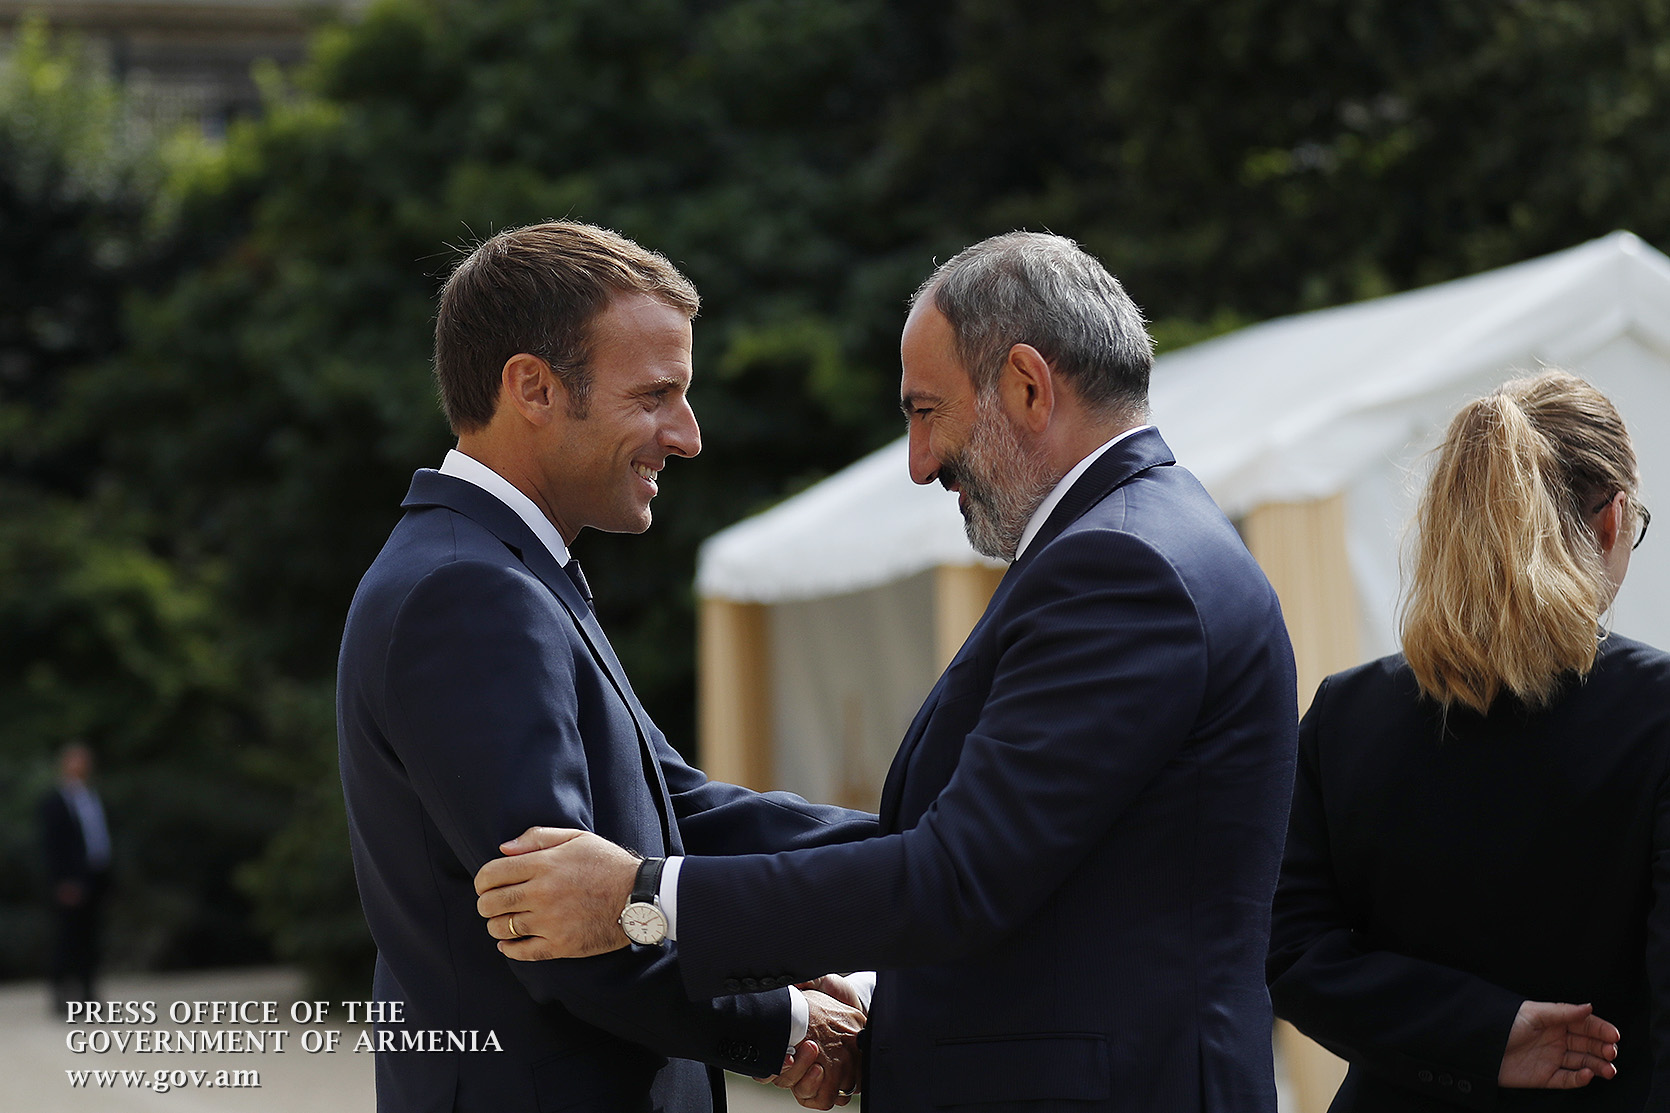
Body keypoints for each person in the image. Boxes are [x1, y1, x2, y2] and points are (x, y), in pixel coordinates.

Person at [472, 231, 1302, 1111]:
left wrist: (644, 897)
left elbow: (957, 877)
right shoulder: (1135, 542)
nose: (919, 462)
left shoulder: (1122, 568)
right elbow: (990, 862)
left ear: (1027, 384)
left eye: (926, 411)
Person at [335, 220, 875, 1113]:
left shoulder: (498, 570)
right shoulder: (469, 591)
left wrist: (934, 851)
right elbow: (559, 929)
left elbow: (681, 810)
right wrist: (789, 1023)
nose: (688, 435)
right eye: (657, 394)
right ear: (533, 388)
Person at [1266, 370, 1660, 1110]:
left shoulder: (1345, 713)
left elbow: (1287, 949)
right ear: (1612, 521)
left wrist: (1483, 1033)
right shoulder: (1658, 713)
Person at [39, 740, 112, 1012]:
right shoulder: (53, 802)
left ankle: (88, 994)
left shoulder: (94, 798)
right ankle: (61, 994)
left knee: (91, 939)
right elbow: (52, 846)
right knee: (67, 939)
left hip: (96, 878)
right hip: (70, 882)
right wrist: (63, 881)